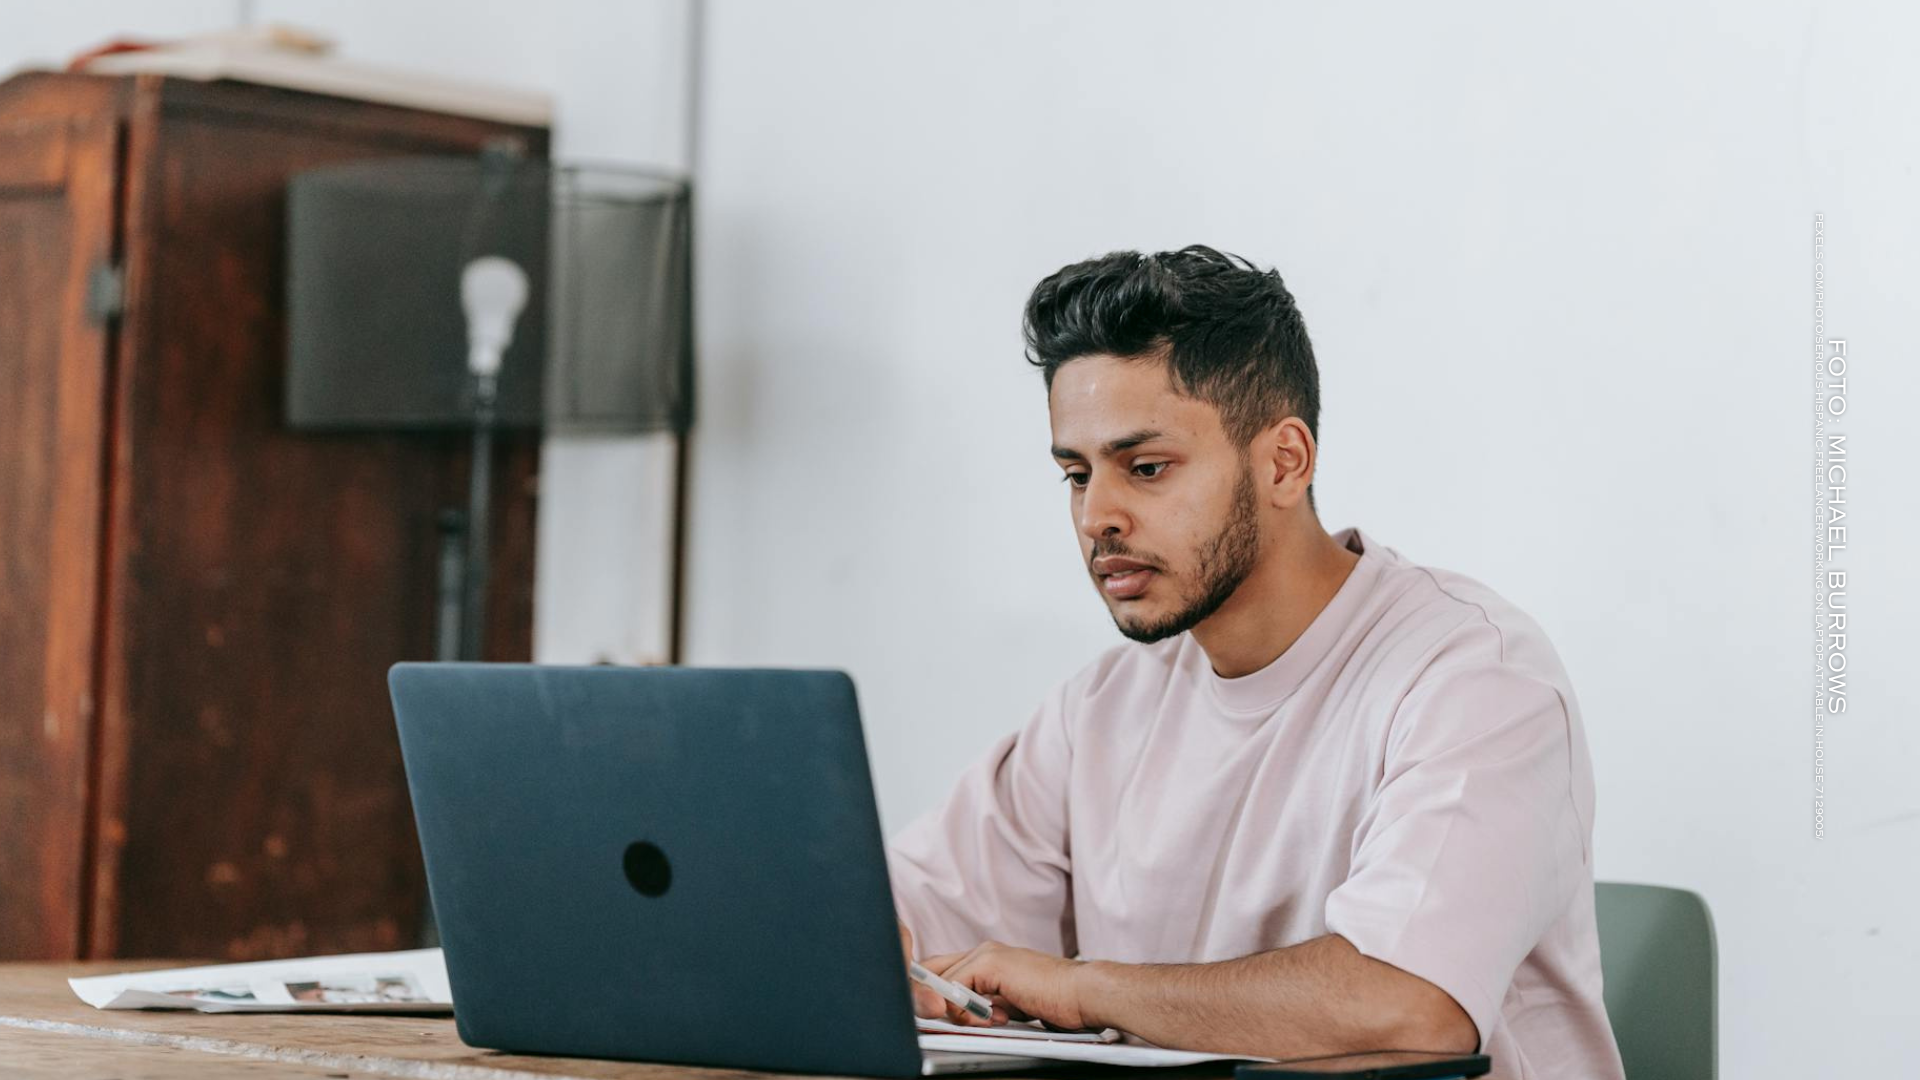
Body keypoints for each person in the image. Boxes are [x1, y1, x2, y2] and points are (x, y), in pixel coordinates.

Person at [887, 246, 1626, 1080]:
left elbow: (1412, 1007)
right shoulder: (1101, 709)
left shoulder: (1475, 678)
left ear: (1284, 461)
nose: (1097, 516)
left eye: (1146, 468)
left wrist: (1082, 988)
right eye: (1075, 474)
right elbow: (897, 914)